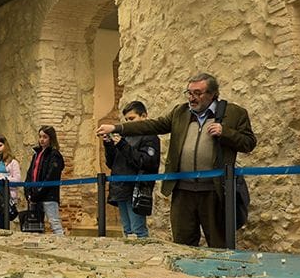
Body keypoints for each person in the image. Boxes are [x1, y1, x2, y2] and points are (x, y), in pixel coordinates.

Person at [96, 73, 256, 248]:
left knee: (219, 243)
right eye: (189, 93)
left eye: (197, 93)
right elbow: (151, 125)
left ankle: (221, 274)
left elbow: (249, 143)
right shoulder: (180, 112)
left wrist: (225, 132)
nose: (191, 98)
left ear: (212, 94)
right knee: (182, 244)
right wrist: (117, 128)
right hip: (183, 190)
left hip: (214, 190)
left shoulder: (233, 113)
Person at [103, 101, 160, 238]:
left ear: (144, 116)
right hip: (120, 188)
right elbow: (112, 164)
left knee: (138, 230)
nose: (129, 122)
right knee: (127, 230)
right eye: (127, 119)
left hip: (136, 189)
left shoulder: (150, 137)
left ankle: (143, 257)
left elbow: (146, 162)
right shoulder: (125, 137)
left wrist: (123, 145)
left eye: (132, 118)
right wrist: (109, 145)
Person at [25, 126, 65, 235]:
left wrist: (39, 191)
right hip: (35, 195)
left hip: (49, 195)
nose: (42, 139)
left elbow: (51, 176)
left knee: (54, 222)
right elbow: (30, 174)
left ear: (51, 138)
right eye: (40, 137)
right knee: (36, 225)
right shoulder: (36, 154)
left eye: (45, 137)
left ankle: (63, 247)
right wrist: (28, 191)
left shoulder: (54, 155)